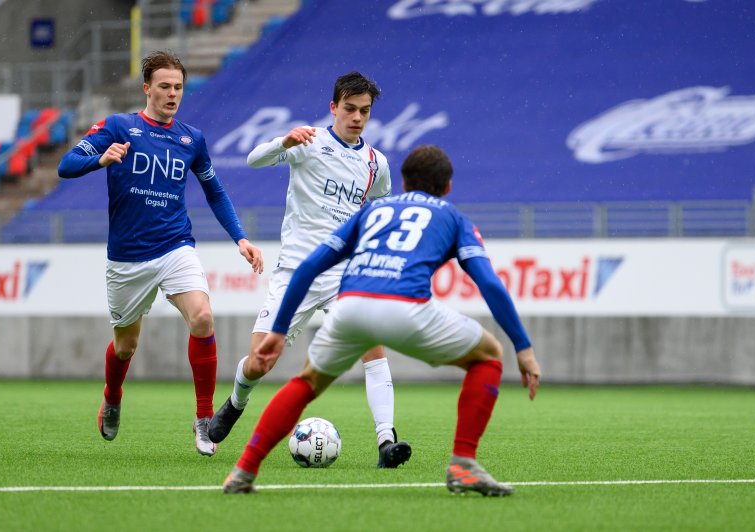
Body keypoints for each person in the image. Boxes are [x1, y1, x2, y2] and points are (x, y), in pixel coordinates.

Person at [221, 145, 541, 496]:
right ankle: (463, 464)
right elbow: (490, 283)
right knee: (489, 354)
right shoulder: (453, 217)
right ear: (447, 187)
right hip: (407, 309)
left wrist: (279, 332)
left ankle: (244, 471)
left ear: (403, 182)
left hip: (351, 306)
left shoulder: (373, 210)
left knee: (306, 382)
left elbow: (310, 267)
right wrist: (523, 347)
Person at [57, 50, 263, 457]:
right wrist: (100, 158)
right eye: (165, 86)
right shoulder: (118, 126)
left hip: (175, 245)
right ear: (147, 87)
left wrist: (239, 237)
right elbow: (66, 164)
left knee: (203, 317)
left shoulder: (192, 139)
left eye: (178, 87)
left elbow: (215, 192)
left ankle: (204, 420)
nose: (172, 94)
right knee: (125, 347)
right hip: (127, 258)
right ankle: (113, 395)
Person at [208, 72, 411, 468]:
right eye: (349, 109)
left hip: (343, 275)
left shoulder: (376, 163)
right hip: (296, 271)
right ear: (333, 107)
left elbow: (378, 204)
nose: (356, 117)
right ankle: (235, 403)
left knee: (373, 349)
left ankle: (387, 441)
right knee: (260, 360)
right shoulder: (308, 143)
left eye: (364, 111)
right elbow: (253, 160)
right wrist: (283, 141)